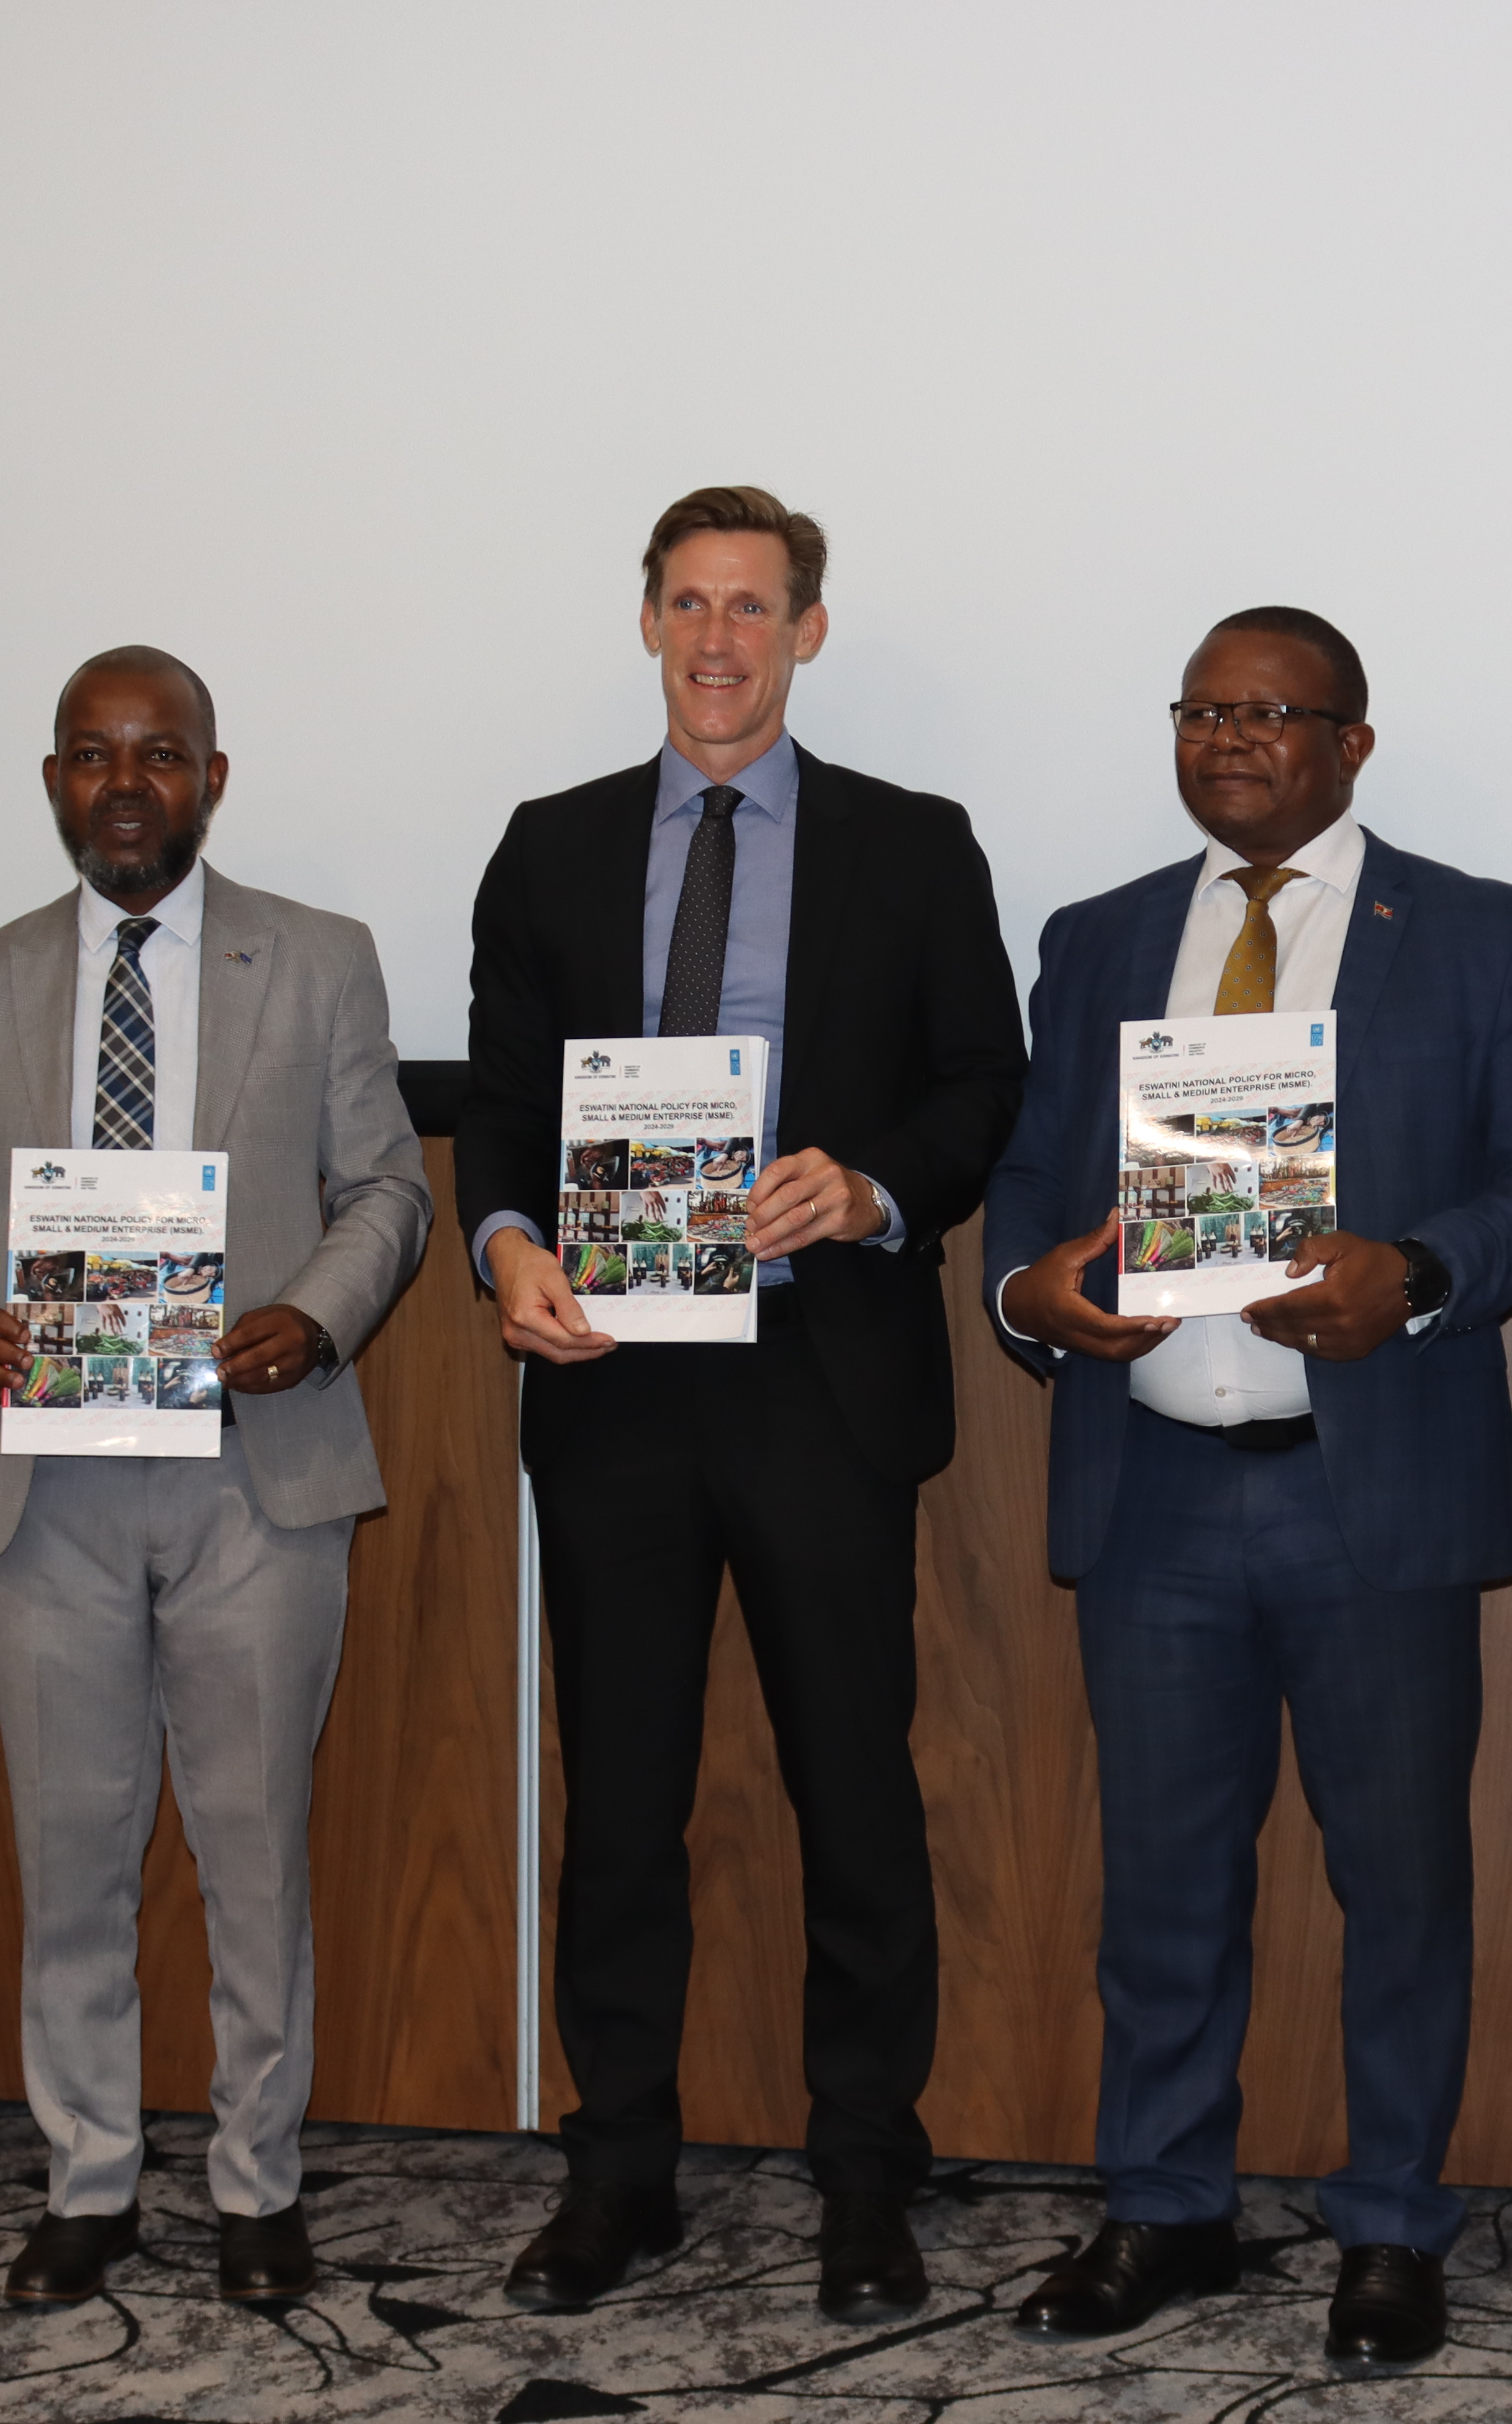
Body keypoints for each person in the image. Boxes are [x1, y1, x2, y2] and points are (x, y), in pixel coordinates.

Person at [982, 607, 1512, 2369]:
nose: (1232, 739)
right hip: (1158, 1485)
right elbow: (1033, 1179)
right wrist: (1029, 1296)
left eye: (1273, 713)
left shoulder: (1482, 935)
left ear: (1354, 742)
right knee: (1164, 1884)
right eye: (1204, 710)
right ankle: (1165, 2204)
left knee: (1400, 1881)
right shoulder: (1097, 935)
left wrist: (1412, 1269)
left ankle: (1394, 2225)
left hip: (1374, 1486)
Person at [455, 487, 1025, 2323]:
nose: (720, 639)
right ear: (646, 624)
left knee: (852, 1788)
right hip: (612, 1381)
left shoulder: (914, 844)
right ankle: (620, 2167)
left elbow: (983, 1085)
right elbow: (499, 1105)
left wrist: (865, 1187)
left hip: (821, 1378)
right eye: (689, 605)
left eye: (755, 608)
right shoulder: (546, 849)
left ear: (809, 633)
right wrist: (508, 1248)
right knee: (618, 1804)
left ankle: (869, 2169)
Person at [0, 645, 433, 2310]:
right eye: (92, 756)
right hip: (44, 1484)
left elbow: (386, 1188)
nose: (127, 783)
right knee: (73, 1851)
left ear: (212, 777)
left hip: (254, 1473)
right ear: (55, 782)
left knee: (255, 1849)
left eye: (160, 754)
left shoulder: (316, 961)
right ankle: (89, 2180)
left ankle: (258, 2193)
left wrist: (317, 1322)